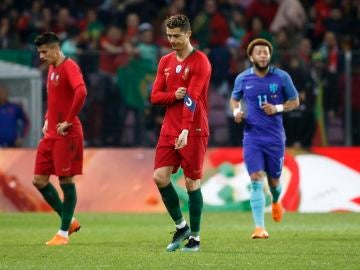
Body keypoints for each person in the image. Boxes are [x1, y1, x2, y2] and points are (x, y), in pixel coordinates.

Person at [150, 14, 211, 252]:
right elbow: (155, 96)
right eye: (169, 35)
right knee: (159, 177)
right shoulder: (165, 61)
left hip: (194, 130)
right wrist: (172, 95)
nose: (172, 40)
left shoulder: (201, 62)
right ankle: (181, 226)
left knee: (191, 182)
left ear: (188, 34)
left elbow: (192, 98)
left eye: (177, 36)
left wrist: (185, 128)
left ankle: (195, 237)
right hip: (169, 129)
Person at [229, 38, 299, 239]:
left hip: (275, 138)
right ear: (251, 57)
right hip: (252, 137)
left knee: (275, 181)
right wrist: (236, 113)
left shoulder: (282, 77)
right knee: (255, 178)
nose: (262, 55)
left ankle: (277, 201)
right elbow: (234, 99)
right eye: (258, 52)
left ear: (270, 56)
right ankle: (259, 227)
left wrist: (277, 108)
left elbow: (295, 101)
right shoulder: (243, 79)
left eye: (266, 52)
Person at [32, 32, 87, 246]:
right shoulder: (52, 69)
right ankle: (70, 221)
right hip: (51, 134)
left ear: (56, 49)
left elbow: (81, 92)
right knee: (39, 180)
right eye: (40, 52)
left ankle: (63, 234)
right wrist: (48, 118)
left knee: (66, 181)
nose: (42, 56)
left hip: (66, 134)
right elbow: (54, 99)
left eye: (44, 52)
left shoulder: (69, 67)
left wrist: (69, 120)